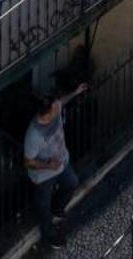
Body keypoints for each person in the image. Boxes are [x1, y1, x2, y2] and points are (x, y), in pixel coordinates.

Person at [25, 80, 88, 248]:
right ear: (48, 112)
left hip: (62, 163)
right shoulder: (34, 135)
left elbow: (62, 101)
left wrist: (75, 92)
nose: (58, 105)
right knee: (42, 207)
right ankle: (50, 234)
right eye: (55, 106)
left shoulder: (55, 109)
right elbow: (28, 162)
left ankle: (58, 208)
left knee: (72, 183)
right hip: (44, 175)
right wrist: (48, 165)